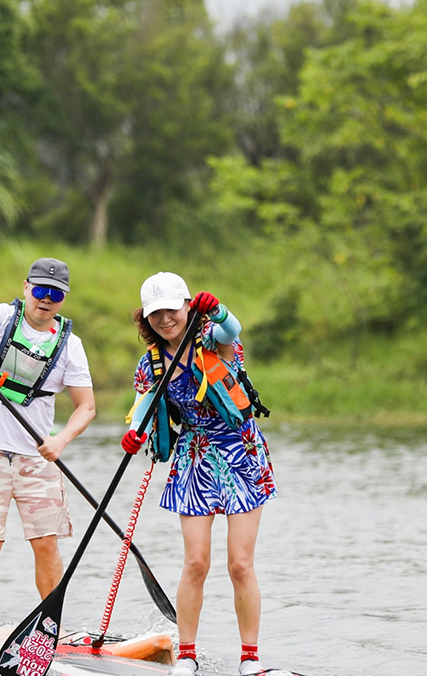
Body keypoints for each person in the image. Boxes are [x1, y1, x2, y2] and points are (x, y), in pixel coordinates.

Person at [121, 272, 277, 676]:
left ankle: (250, 660)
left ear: (188, 306)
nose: (165, 320)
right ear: (146, 318)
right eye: (155, 314)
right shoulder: (150, 363)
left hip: (241, 453)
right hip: (194, 457)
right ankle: (186, 655)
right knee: (196, 563)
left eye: (171, 310)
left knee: (240, 564)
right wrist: (134, 433)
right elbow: (142, 406)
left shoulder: (213, 339)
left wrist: (220, 310)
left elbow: (233, 328)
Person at [0, 257, 95, 654]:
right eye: (40, 290)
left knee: (46, 542)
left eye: (56, 294)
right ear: (26, 287)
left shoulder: (70, 344)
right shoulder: (1, 317)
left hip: (37, 457)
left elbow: (86, 407)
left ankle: (50, 630)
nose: (45, 300)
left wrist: (61, 440)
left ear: (63, 299)